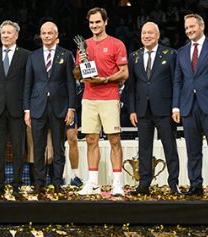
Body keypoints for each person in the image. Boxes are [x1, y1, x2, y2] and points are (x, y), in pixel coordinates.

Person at [172, 13, 208, 196]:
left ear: (202, 26)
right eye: (186, 28)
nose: (189, 30)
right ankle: (195, 184)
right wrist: (176, 106)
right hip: (188, 106)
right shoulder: (181, 52)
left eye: (192, 26)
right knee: (192, 149)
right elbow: (178, 82)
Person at [76, 8, 129, 196]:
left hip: (109, 97)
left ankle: (117, 184)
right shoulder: (84, 46)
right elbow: (78, 75)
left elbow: (125, 73)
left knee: (114, 140)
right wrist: (81, 64)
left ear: (105, 22)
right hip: (89, 98)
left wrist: (106, 80)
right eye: (91, 23)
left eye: (98, 22)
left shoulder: (116, 44)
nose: (94, 26)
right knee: (91, 140)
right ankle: (92, 183)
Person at [23, 21, 76, 199]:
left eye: (49, 33)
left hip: (59, 108)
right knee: (38, 148)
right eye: (43, 33)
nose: (46, 36)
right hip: (37, 108)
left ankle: (58, 183)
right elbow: (28, 85)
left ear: (56, 36)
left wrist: (71, 108)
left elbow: (71, 83)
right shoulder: (33, 56)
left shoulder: (66, 55)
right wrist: (27, 110)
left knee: (59, 148)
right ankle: (39, 184)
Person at [127, 22, 180, 195]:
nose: (146, 36)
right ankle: (143, 184)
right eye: (143, 33)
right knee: (144, 148)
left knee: (170, 147)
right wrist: (132, 110)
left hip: (165, 109)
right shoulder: (134, 56)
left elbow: (176, 83)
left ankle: (174, 184)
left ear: (157, 35)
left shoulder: (170, 54)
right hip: (142, 110)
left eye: (150, 33)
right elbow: (131, 87)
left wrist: (175, 107)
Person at [0, 20, 30, 196]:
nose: (6, 36)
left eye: (9, 33)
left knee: (19, 149)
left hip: (18, 109)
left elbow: (29, 84)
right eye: (3, 33)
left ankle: (17, 185)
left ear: (16, 35)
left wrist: (28, 109)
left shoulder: (26, 55)